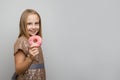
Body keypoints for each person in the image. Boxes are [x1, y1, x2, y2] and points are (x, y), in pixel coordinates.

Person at [13, 9, 46, 80]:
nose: (33, 27)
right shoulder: (22, 41)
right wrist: (30, 59)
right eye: (29, 24)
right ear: (23, 25)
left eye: (36, 23)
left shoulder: (35, 41)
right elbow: (18, 70)